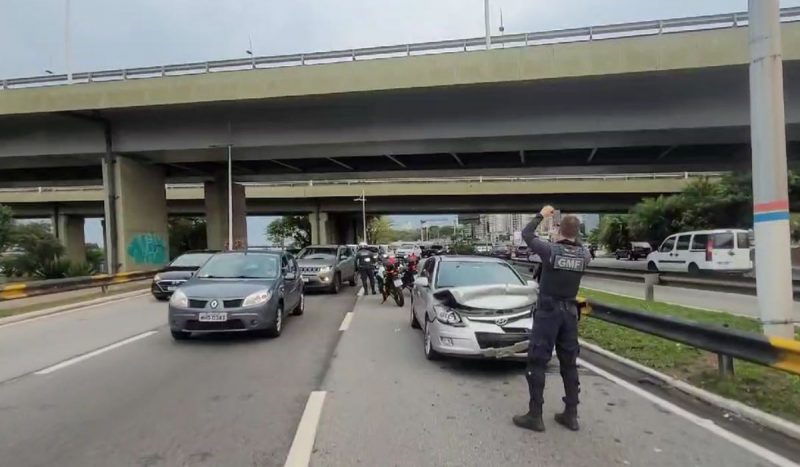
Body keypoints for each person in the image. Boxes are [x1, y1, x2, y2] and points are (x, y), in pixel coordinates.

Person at [513, 205, 591, 433]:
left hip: (548, 312)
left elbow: (527, 234)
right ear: (577, 233)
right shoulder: (585, 254)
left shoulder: (550, 250)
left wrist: (541, 215)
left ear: (558, 229)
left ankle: (535, 415)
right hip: (569, 313)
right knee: (569, 363)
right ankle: (571, 414)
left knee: (537, 360)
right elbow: (578, 252)